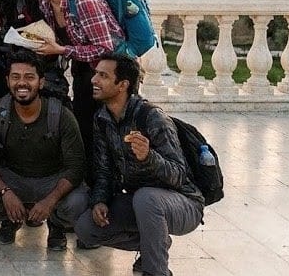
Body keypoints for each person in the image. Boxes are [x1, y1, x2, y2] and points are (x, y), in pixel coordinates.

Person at [75, 54, 204, 276]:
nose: (94, 80)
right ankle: (155, 242)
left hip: (184, 203)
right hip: (142, 204)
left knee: (147, 198)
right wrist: (100, 200)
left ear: (122, 85)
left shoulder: (152, 117)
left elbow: (179, 175)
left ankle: (156, 271)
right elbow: (104, 170)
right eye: (96, 73)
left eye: (103, 76)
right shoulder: (102, 118)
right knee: (86, 228)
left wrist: (149, 157)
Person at [0, 51, 88, 251]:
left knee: (79, 202)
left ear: (41, 82)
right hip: (13, 178)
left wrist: (50, 201)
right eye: (16, 77)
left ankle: (56, 224)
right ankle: (11, 218)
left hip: (51, 180)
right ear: (7, 81)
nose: (22, 83)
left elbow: (76, 166)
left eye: (29, 77)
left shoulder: (61, 115)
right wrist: (6, 192)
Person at [28, 0, 123, 174]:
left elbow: (105, 48)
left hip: (114, 74)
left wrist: (61, 51)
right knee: (86, 130)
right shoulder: (45, 0)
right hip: (85, 70)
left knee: (113, 132)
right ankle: (91, 186)